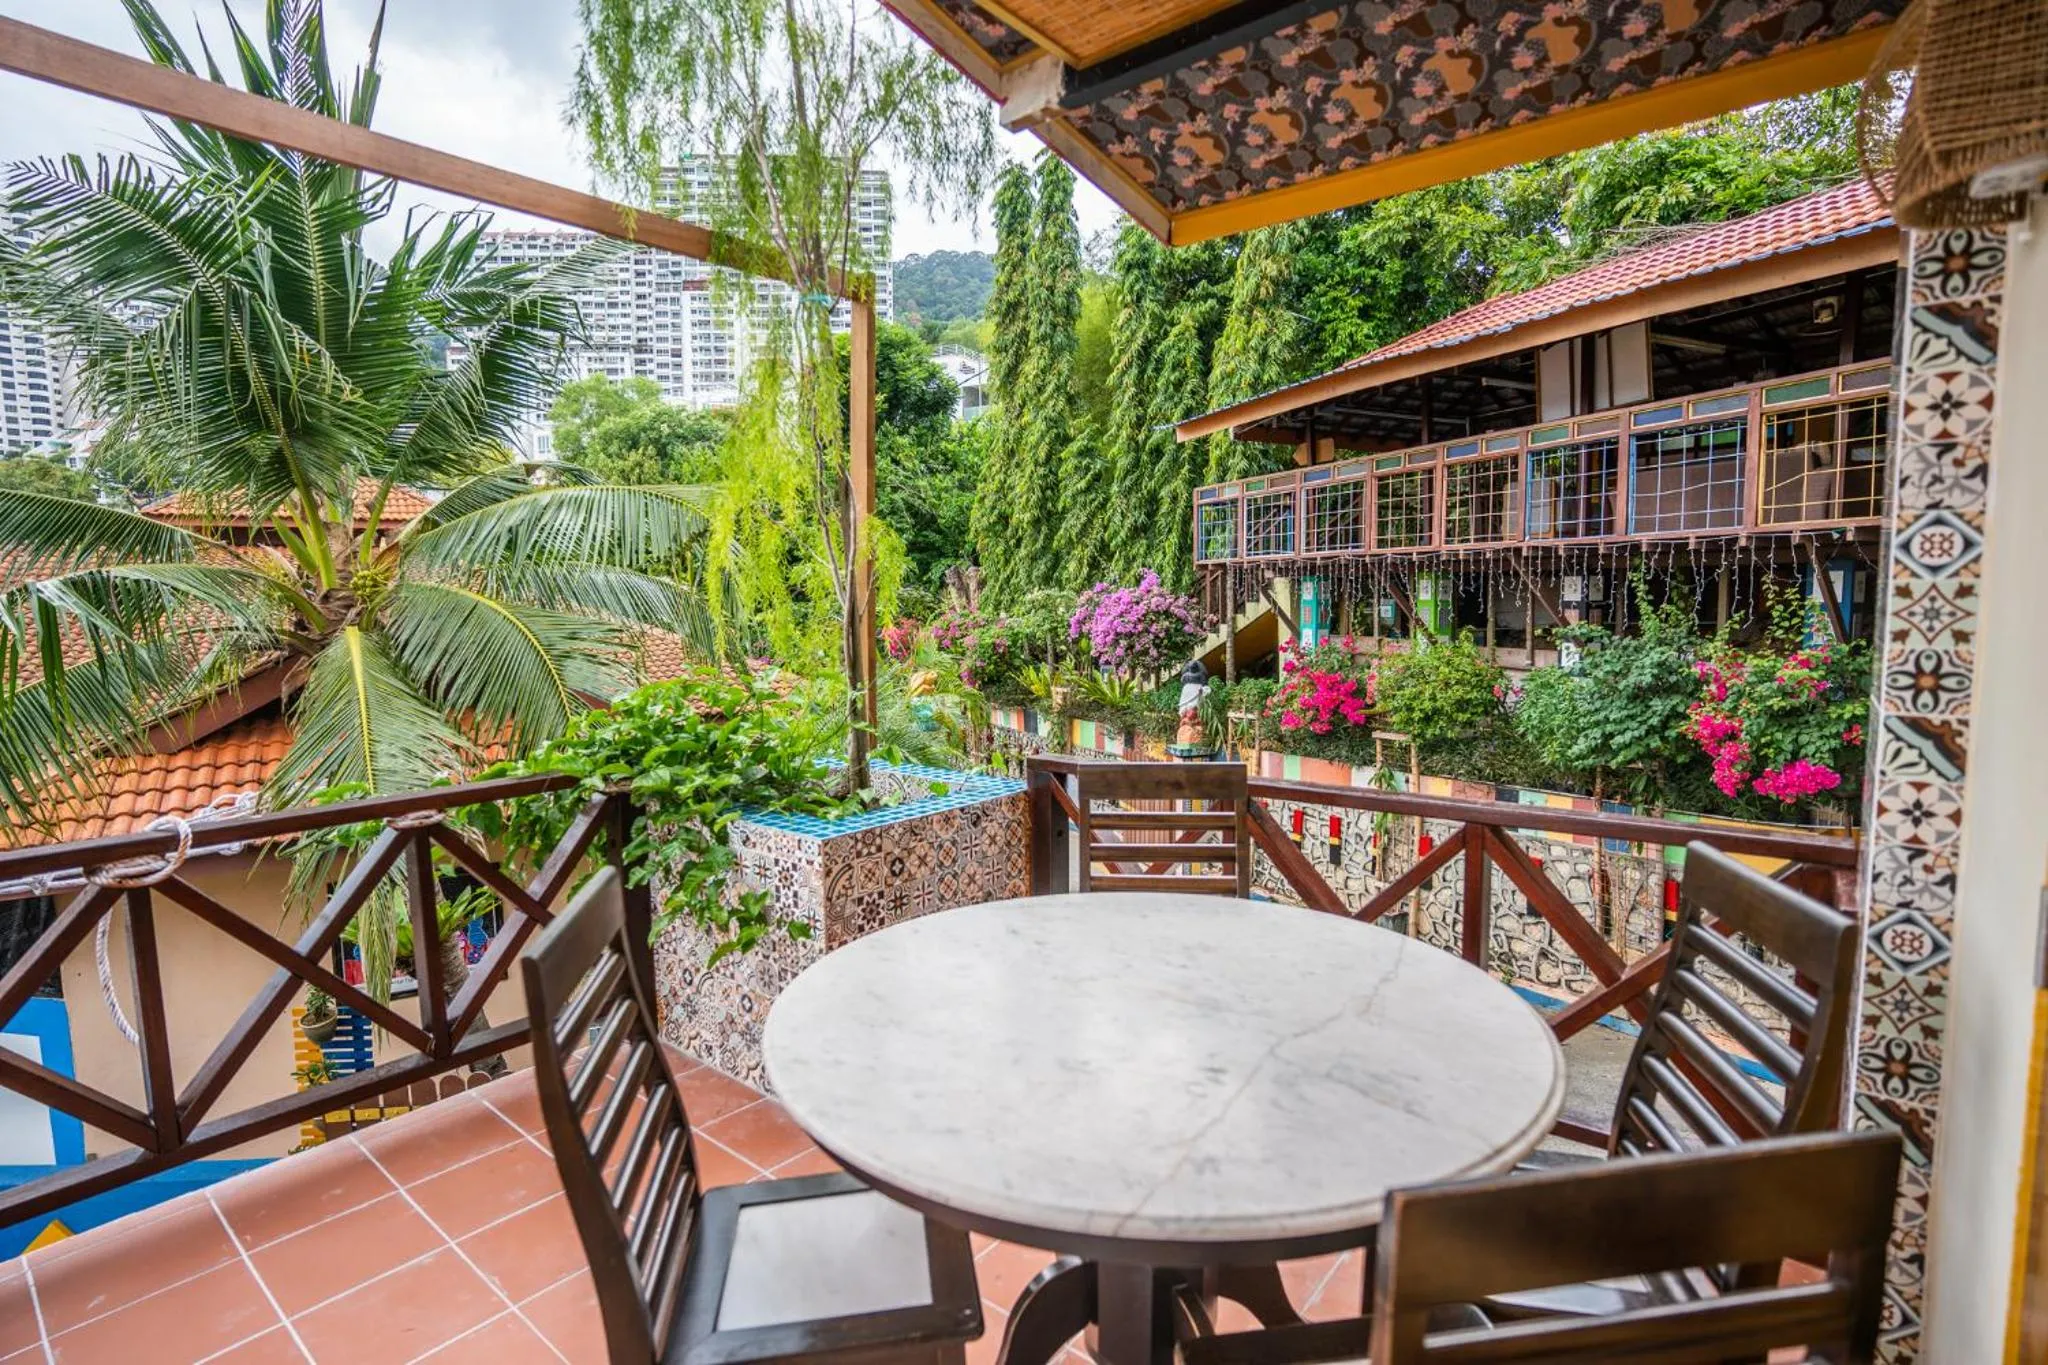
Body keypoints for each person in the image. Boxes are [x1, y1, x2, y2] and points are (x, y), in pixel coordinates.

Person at [1175, 660, 1210, 749]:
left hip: (1196, 700)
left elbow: (1206, 689)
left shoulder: (1201, 677)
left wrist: (1202, 691)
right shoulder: (1185, 679)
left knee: (1194, 711)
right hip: (1187, 697)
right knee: (1186, 711)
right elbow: (1184, 698)